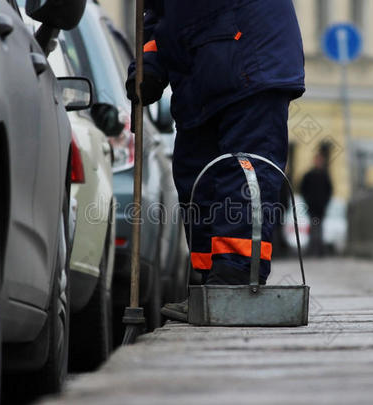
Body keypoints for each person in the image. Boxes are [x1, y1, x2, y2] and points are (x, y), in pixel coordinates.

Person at [125, 0, 305, 322]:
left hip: (249, 55)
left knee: (242, 173)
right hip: (200, 72)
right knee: (196, 181)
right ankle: (209, 287)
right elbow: (157, 16)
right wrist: (148, 65)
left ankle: (237, 281)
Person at [300, 153, 333, 257]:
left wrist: (325, 202)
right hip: (312, 206)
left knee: (319, 228)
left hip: (321, 207)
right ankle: (312, 249)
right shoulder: (309, 175)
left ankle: (318, 250)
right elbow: (302, 188)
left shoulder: (325, 175)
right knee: (313, 227)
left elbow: (329, 190)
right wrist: (307, 200)